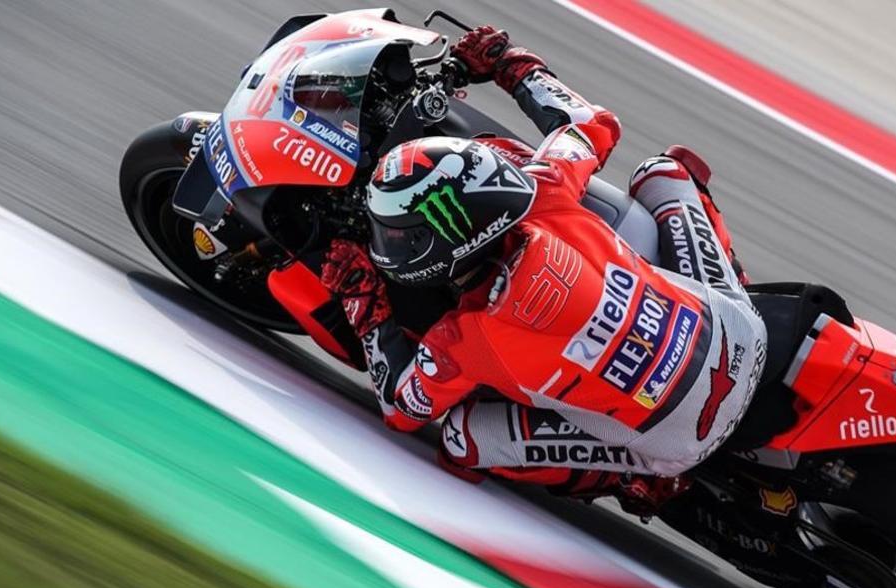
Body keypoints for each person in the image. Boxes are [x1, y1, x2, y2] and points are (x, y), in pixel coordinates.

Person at [321, 25, 767, 515]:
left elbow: (401, 408)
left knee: (462, 440)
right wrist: (511, 65)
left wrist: (363, 299)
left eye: (395, 234)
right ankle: (735, 284)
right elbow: (593, 123)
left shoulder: (464, 340)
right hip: (743, 334)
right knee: (666, 172)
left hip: (683, 442)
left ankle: (632, 477)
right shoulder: (545, 189)